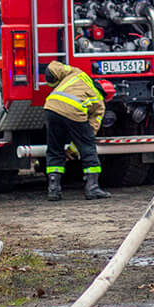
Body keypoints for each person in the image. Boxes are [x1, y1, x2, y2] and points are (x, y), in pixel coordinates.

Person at [43, 59, 110, 201]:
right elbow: (90, 132)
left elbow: (52, 68)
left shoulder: (78, 73)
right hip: (74, 110)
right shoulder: (100, 104)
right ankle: (92, 188)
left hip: (51, 106)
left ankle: (53, 189)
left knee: (55, 148)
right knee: (88, 148)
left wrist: (53, 84)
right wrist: (73, 150)